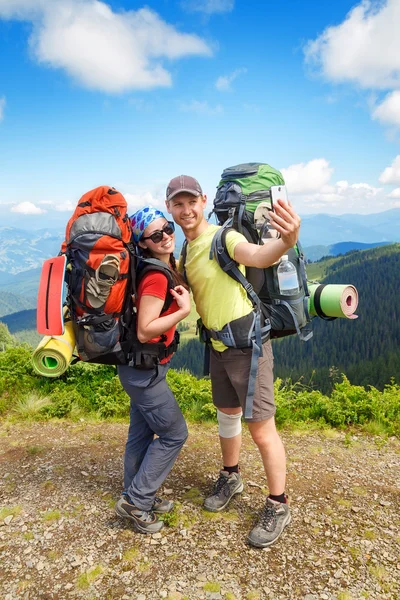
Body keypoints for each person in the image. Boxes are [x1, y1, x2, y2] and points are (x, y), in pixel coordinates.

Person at [165, 174, 301, 548]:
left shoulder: (224, 237)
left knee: (261, 427)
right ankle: (231, 475)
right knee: (226, 413)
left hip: (248, 346)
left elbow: (257, 255)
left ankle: (278, 503)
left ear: (203, 200)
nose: (186, 209)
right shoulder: (187, 250)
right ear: (170, 208)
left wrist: (286, 241)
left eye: (191, 201)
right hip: (218, 347)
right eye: (178, 203)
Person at [115, 207, 190, 534]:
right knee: (175, 433)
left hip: (138, 368)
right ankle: (136, 501)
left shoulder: (155, 266)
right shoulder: (156, 276)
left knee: (142, 433)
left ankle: (135, 492)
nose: (166, 237)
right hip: (144, 374)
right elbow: (146, 329)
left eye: (168, 228)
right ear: (142, 243)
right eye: (156, 235)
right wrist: (183, 311)